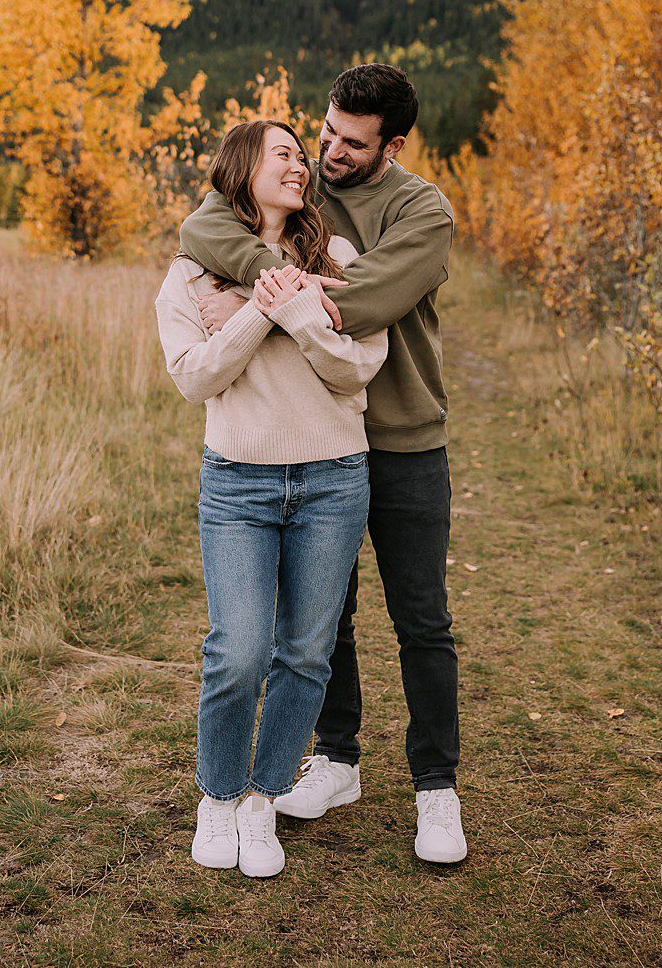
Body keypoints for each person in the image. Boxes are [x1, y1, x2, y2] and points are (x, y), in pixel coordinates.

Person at [178, 63, 466, 865]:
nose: (328, 152)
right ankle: (336, 760)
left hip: (402, 436)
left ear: (393, 145)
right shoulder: (304, 189)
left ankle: (435, 790)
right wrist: (271, 284)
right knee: (319, 623)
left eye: (351, 142)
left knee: (422, 621)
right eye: (326, 132)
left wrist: (259, 295)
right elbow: (204, 230)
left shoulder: (422, 210)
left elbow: (359, 298)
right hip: (310, 439)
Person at [155, 119, 387, 878]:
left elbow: (356, 370)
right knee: (239, 650)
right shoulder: (191, 270)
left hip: (332, 479)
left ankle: (263, 797)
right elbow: (194, 377)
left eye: (301, 155)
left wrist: (286, 312)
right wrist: (265, 309)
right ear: (243, 165)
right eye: (284, 152)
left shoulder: (340, 260)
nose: (301, 165)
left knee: (306, 652)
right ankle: (217, 798)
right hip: (239, 482)